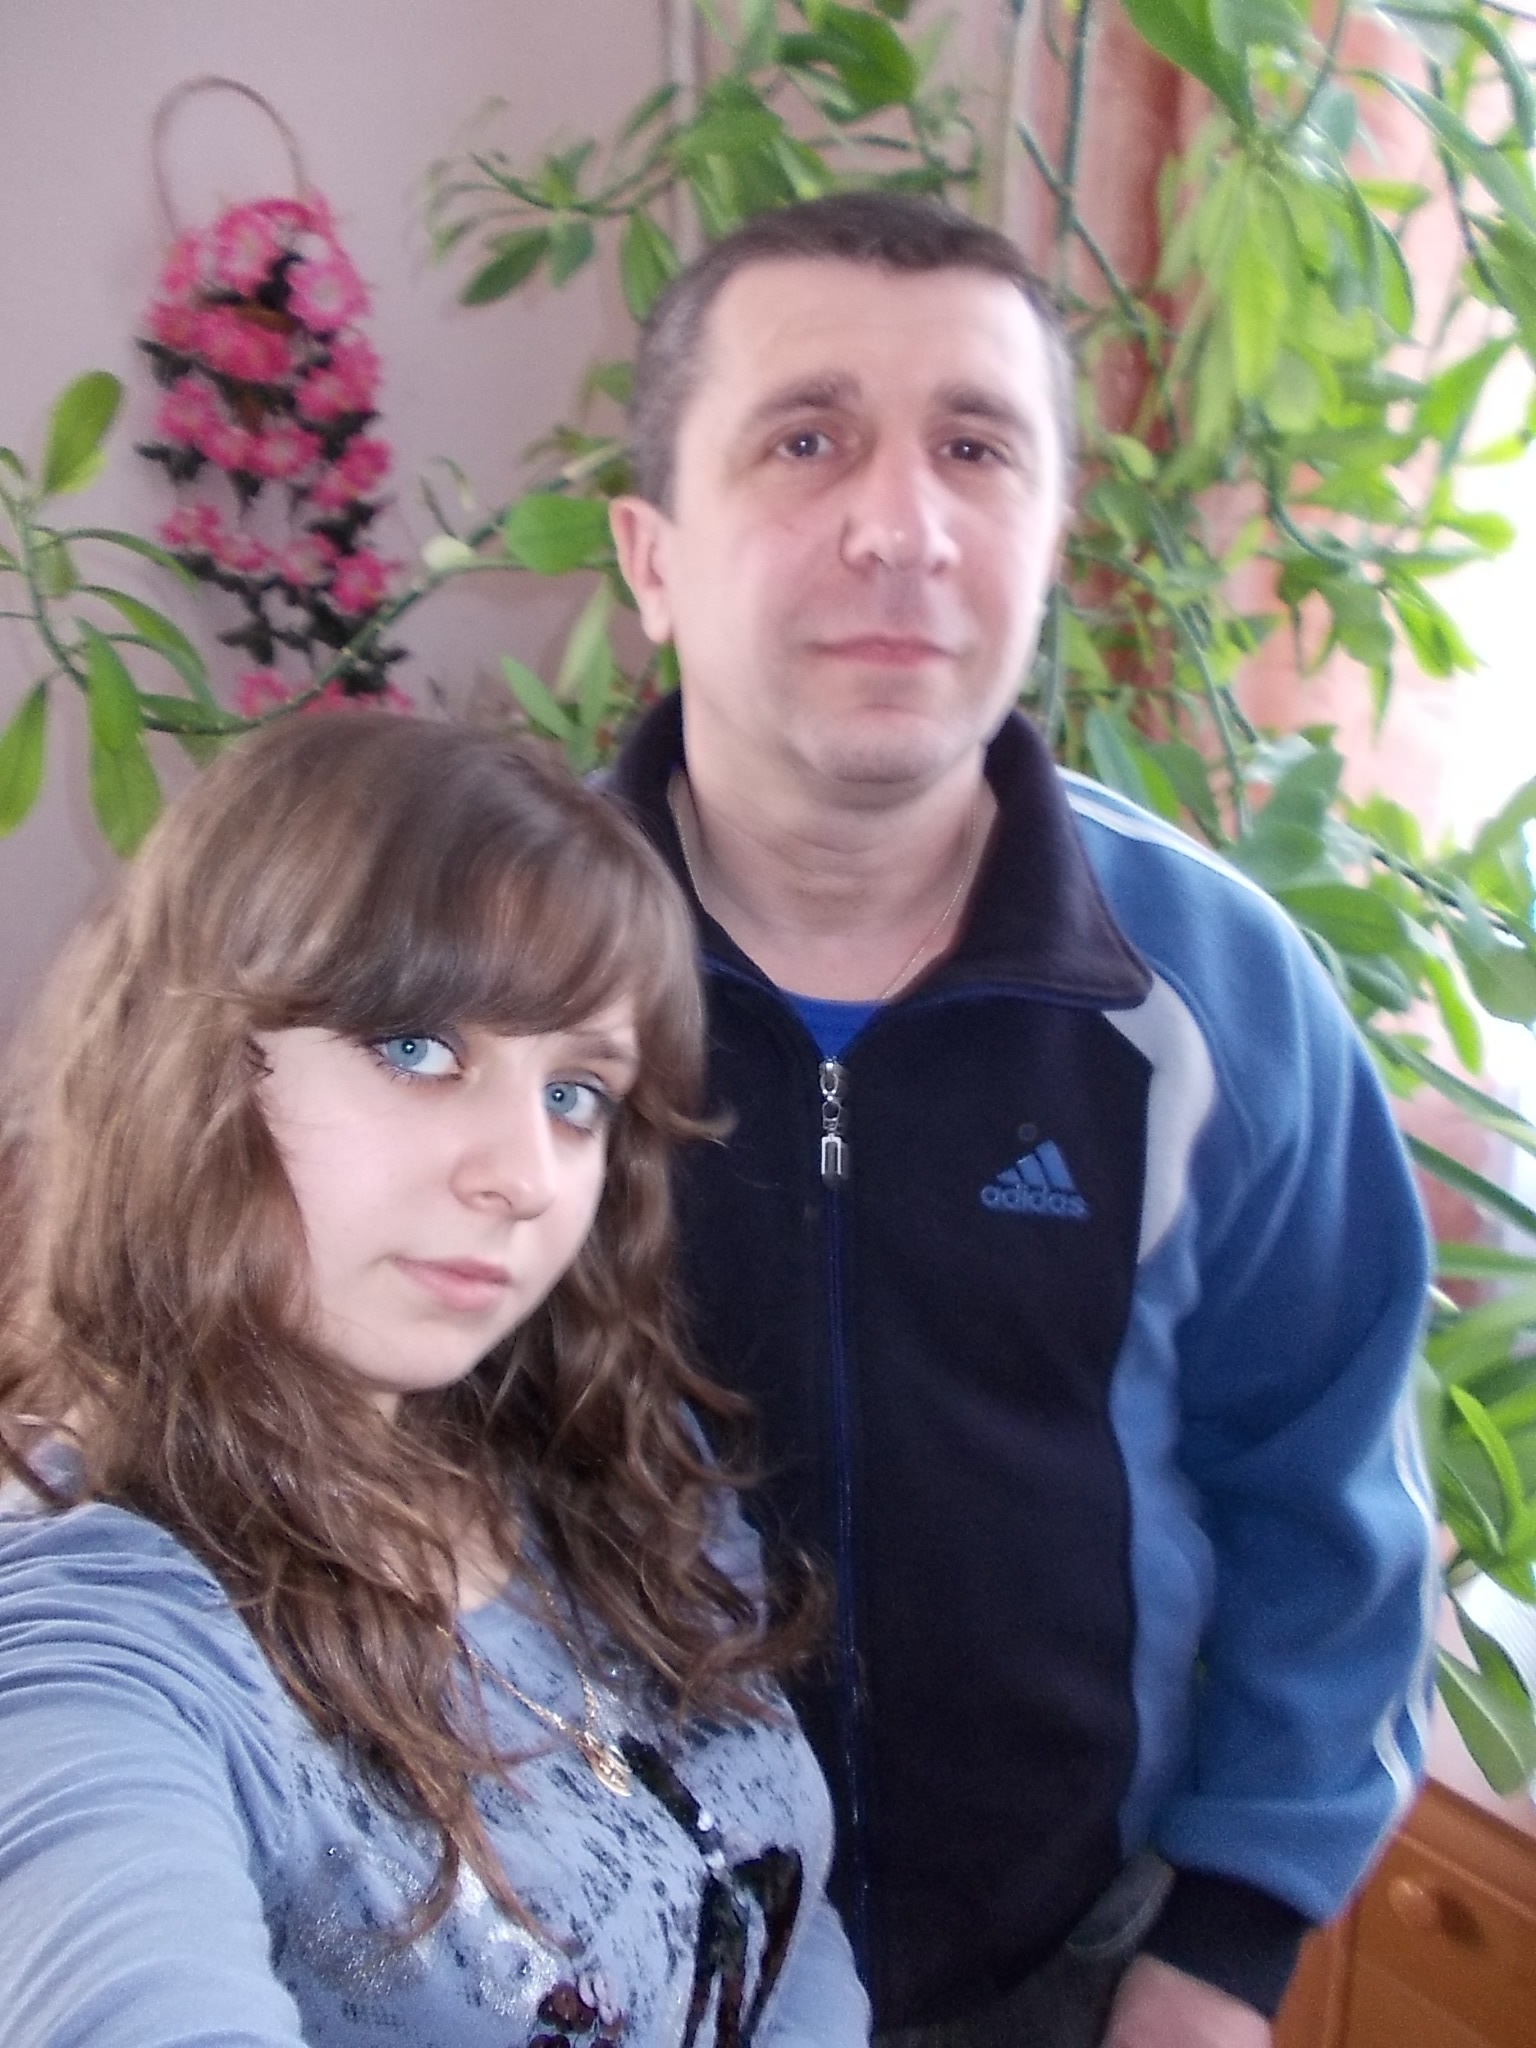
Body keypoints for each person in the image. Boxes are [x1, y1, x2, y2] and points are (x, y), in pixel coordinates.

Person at [604, 192, 1437, 2048]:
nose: (901, 525)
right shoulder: (478, 986)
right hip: (594, 1979)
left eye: (976, 449)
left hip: (1070, 1983)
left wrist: (1224, 1957)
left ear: (1047, 542)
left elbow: (1330, 1515)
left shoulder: (1216, 997)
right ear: (652, 556)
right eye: (806, 440)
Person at [0, 715, 870, 2048]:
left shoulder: (607, 1467)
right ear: (184, 1065)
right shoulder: (96, 1622)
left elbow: (786, 1928)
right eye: (415, 1046)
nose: (523, 1175)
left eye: (575, 1094)